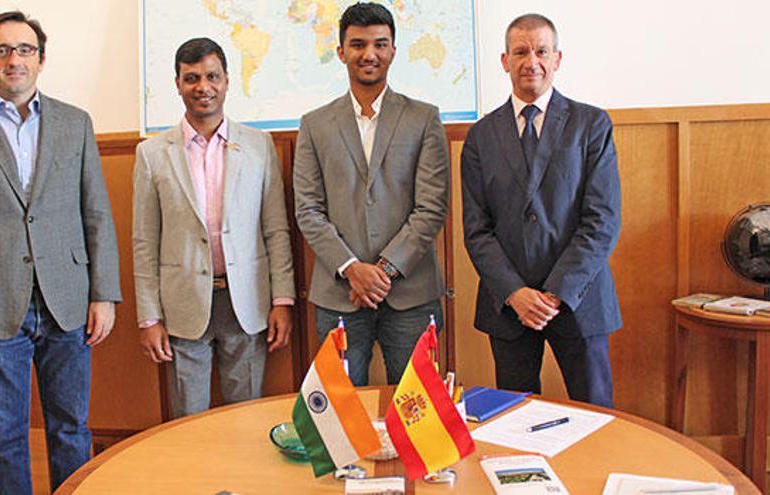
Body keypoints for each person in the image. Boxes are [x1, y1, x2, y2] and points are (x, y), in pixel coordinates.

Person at [0, 11, 121, 493]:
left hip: (68, 301)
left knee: (71, 429)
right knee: (5, 438)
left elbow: (95, 212)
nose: (14, 60)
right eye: (1, 51)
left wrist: (104, 295)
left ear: (42, 59)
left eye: (25, 50)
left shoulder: (75, 122)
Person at [460, 13, 622, 407]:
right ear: (505, 61)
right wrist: (516, 293)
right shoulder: (481, 136)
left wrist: (554, 294)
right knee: (514, 423)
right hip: (509, 307)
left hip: (579, 300)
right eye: (520, 51)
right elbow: (477, 229)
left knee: (595, 417)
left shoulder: (591, 124)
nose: (531, 60)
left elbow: (601, 220)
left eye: (541, 51)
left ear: (557, 58)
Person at [133, 38, 295, 418]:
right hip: (182, 306)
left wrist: (282, 301)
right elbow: (144, 242)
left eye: (211, 76)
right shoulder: (152, 154)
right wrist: (149, 318)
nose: (202, 87)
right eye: (191, 78)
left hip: (247, 303)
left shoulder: (259, 145)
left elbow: (276, 229)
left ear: (226, 81)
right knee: (186, 422)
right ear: (177, 83)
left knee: (245, 417)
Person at [294, 2, 449, 386]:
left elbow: (431, 208)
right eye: (358, 44)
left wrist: (382, 271)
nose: (369, 54)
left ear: (393, 50)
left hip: (411, 293)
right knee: (343, 419)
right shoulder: (314, 125)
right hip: (339, 295)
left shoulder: (424, 118)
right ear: (341, 51)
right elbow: (308, 209)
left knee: (417, 412)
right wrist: (352, 269)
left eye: (380, 44)